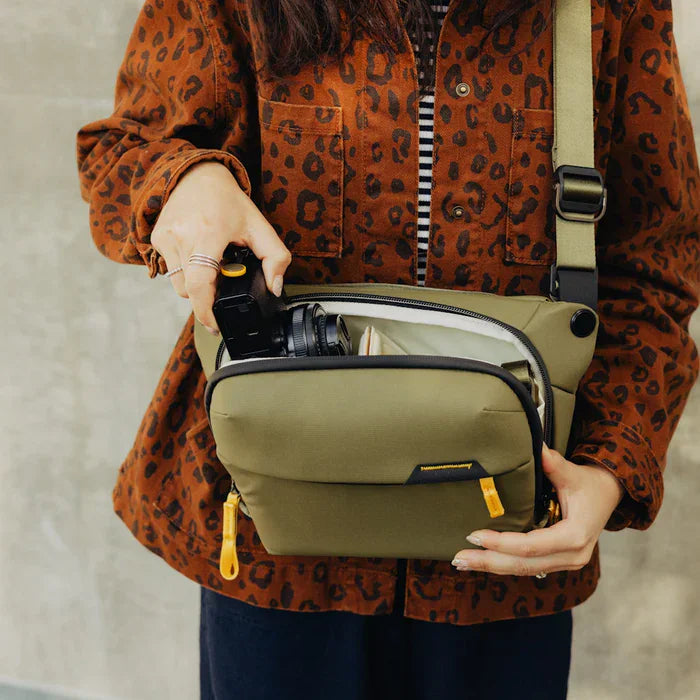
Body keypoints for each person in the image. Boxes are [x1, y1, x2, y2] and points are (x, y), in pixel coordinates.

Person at [76, 0, 699, 697]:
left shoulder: (610, 9)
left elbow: (657, 262)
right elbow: (122, 150)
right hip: (270, 543)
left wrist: (609, 468)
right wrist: (188, 181)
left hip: (507, 560)